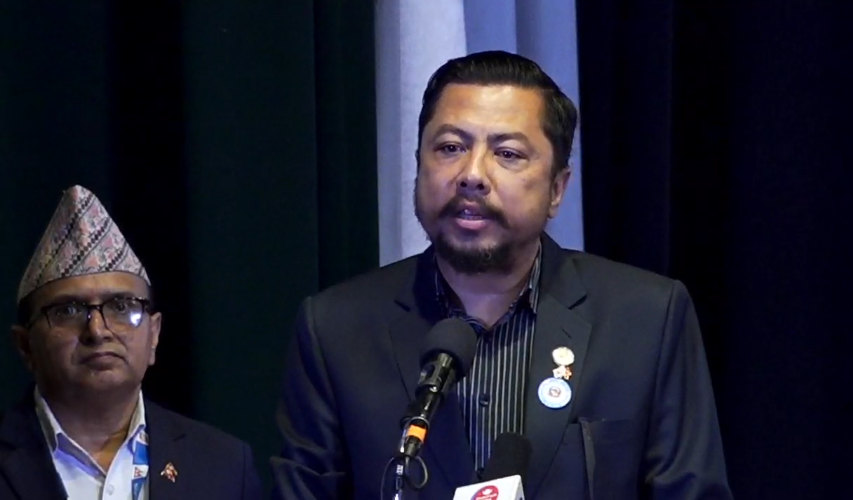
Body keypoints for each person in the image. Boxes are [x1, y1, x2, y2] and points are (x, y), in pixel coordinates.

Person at [271, 50, 733, 499]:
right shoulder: (336, 329)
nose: (472, 174)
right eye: (450, 148)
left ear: (557, 189)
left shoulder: (646, 319)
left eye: (507, 153)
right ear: (418, 165)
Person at [0, 185, 262, 500]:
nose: (97, 331)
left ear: (154, 335)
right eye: (68, 311)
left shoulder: (222, 465)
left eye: (122, 307)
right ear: (25, 345)